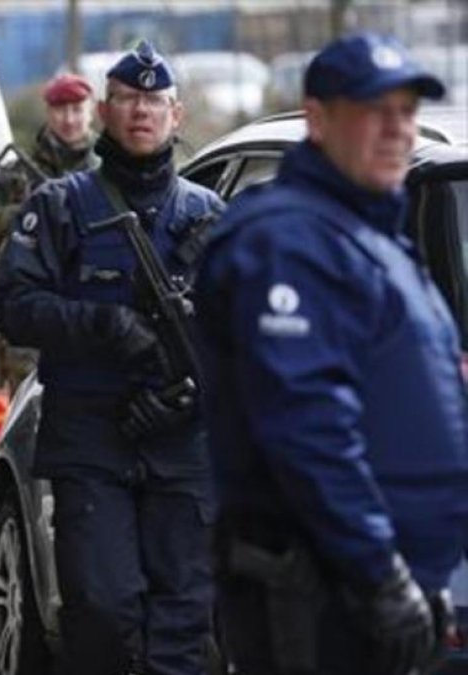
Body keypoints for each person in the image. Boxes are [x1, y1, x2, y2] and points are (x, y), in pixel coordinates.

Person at [196, 32, 468, 675]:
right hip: (320, 591)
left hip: (374, 585)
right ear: (317, 119)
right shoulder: (290, 241)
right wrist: (380, 574)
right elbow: (308, 428)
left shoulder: (368, 238)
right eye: (374, 112)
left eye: (406, 112)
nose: (396, 130)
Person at [0, 40, 224, 675]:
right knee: (102, 609)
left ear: (176, 115)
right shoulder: (61, 207)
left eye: (154, 101)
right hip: (93, 440)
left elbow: (248, 339)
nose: (140, 112)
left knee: (183, 620)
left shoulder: (212, 219)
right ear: (104, 111)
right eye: (127, 99)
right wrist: (105, 325)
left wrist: (194, 392)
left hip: (183, 446)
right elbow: (12, 304)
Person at [0, 72, 99, 392]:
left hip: (93, 318)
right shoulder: (18, 174)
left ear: (91, 111)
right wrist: (26, 212)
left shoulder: (107, 172)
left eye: (76, 109)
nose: (69, 119)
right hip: (32, 321)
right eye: (60, 110)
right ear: (48, 112)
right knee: (29, 426)